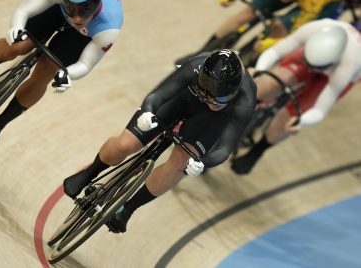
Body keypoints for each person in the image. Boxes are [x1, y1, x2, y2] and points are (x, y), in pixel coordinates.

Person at [63, 49, 257, 233]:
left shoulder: (246, 97)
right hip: (183, 99)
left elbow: (225, 148)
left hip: (208, 121)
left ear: (233, 92)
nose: (210, 101)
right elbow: (159, 95)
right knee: (126, 144)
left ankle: (128, 209)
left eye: (217, 100)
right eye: (207, 95)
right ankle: (89, 173)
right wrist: (148, 111)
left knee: (180, 164)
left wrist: (202, 162)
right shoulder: (196, 66)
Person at [0, 0, 123, 148]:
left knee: (47, 71)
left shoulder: (108, 27)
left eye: (84, 10)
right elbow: (24, 10)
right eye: (72, 8)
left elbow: (86, 64)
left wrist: (67, 74)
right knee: (20, 45)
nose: (77, 17)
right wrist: (17, 28)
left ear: (97, 2)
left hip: (84, 36)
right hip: (56, 11)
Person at [231, 18, 361, 175]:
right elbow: (275, 51)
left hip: (336, 77)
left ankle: (257, 152)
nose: (310, 68)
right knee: (267, 85)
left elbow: (320, 110)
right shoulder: (315, 28)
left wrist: (301, 120)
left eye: (314, 67)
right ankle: (235, 111)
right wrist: (258, 71)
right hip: (309, 55)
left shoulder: (348, 66)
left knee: (292, 116)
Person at [175, 0, 343, 66]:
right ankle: (202, 52)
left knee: (279, 28)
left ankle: (248, 64)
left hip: (322, 3)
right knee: (247, 13)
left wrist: (270, 42)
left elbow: (298, 31)